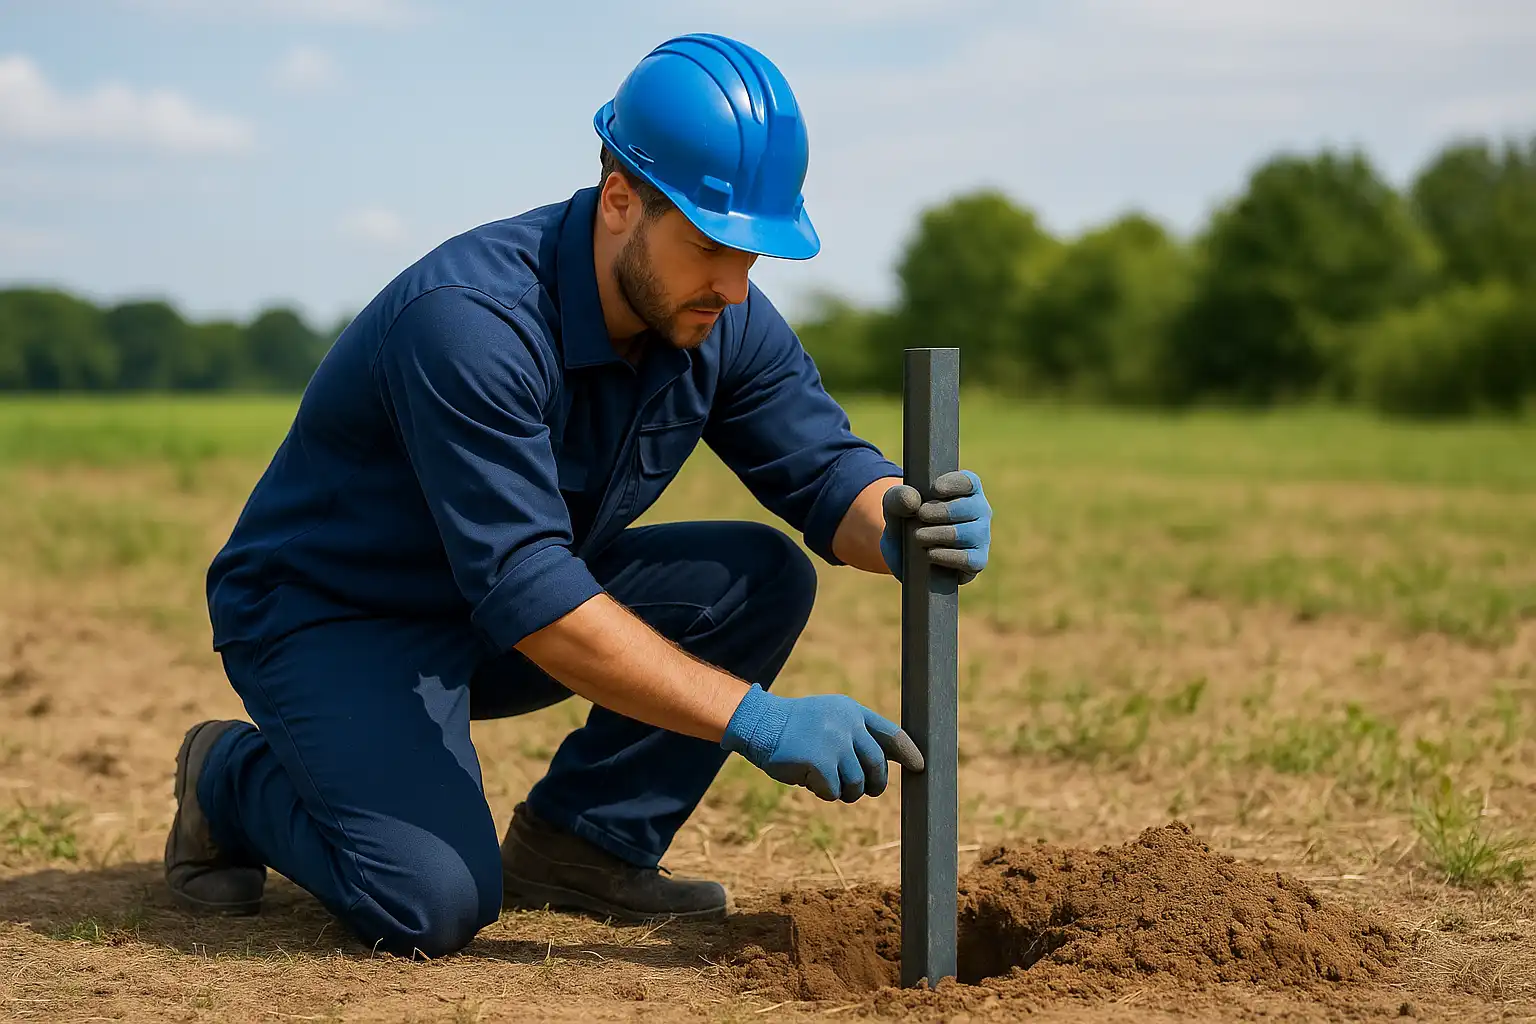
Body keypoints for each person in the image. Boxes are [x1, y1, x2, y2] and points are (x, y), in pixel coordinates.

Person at [164, 32, 993, 960]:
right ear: (619, 200)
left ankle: (583, 845)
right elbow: (530, 592)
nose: (734, 283)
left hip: (493, 613)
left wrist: (899, 519)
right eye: (713, 244)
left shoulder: (718, 315)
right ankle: (228, 775)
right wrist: (755, 719)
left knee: (757, 575)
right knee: (428, 906)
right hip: (334, 621)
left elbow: (821, 468)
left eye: (754, 255)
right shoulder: (471, 323)